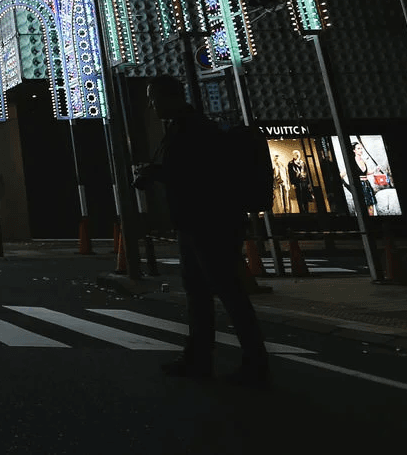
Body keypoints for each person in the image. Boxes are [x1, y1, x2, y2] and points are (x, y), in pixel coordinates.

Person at [134, 75, 268, 387]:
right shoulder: (185, 127)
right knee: (200, 293)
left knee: (227, 291)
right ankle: (200, 358)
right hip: (197, 222)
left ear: (170, 97)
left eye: (154, 99)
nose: (152, 106)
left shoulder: (191, 129)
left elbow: (195, 176)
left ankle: (253, 364)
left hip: (209, 222)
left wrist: (155, 173)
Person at [286, 148, 314, 214]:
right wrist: (292, 183)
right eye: (296, 154)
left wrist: (308, 183)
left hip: (304, 181)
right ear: (293, 155)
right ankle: (302, 211)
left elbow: (306, 173)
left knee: (305, 196)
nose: (298, 155)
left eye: (298, 154)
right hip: (297, 182)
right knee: (299, 196)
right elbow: (290, 174)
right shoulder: (291, 164)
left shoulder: (302, 163)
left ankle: (307, 210)